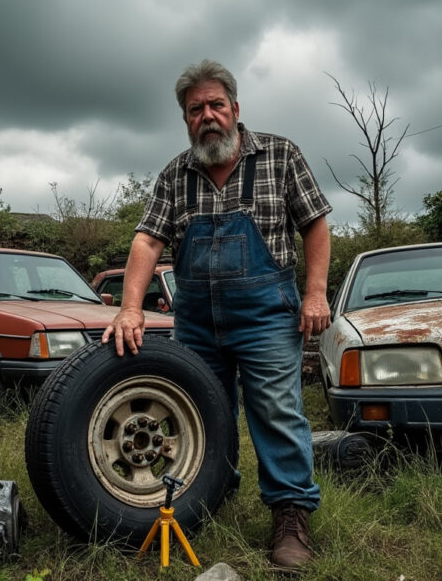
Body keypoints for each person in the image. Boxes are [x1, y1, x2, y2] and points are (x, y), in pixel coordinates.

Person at [102, 59, 332, 569]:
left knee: (275, 411)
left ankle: (291, 514)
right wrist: (129, 308)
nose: (208, 116)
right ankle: (211, 496)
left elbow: (315, 224)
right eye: (195, 110)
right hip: (198, 324)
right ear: (185, 120)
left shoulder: (280, 155)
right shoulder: (174, 174)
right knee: (207, 413)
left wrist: (315, 293)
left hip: (268, 316)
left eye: (216, 105)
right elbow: (147, 240)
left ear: (235, 109)